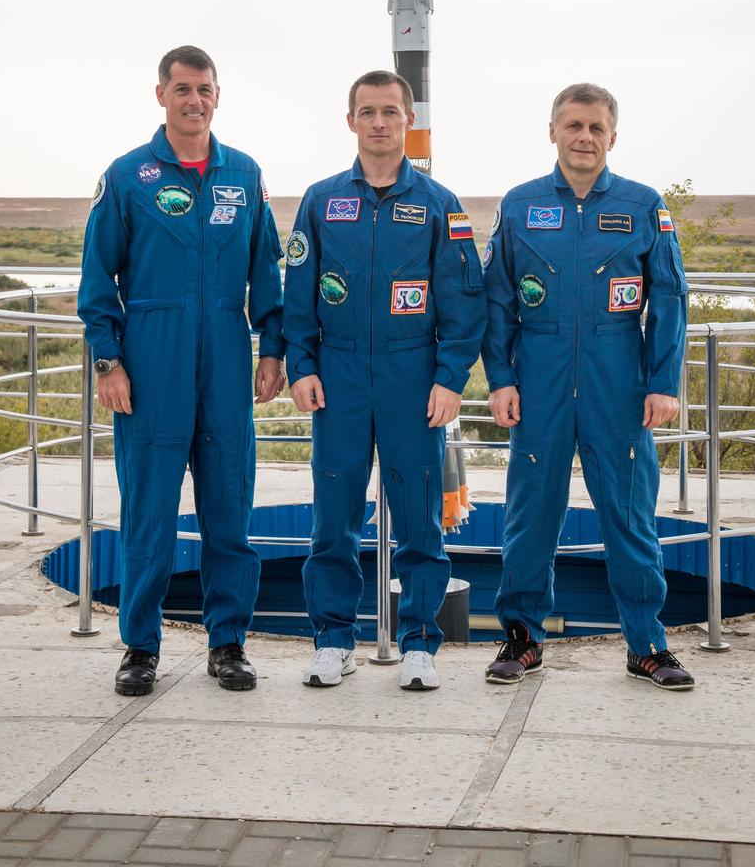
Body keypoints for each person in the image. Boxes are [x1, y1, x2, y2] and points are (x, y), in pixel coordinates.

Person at [78, 46, 285, 696]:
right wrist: (108, 362)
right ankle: (140, 647)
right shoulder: (128, 176)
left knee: (229, 514)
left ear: (217, 97)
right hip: (150, 365)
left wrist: (273, 348)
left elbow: (266, 275)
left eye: (205, 89)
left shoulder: (242, 175)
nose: (194, 99)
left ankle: (228, 644)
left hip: (225, 363)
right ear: (161, 94)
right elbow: (96, 280)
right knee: (148, 518)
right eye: (182, 88)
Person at [482, 83, 695, 691]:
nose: (584, 137)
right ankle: (521, 636)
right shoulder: (521, 206)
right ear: (552, 131)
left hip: (618, 388)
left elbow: (671, 301)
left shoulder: (643, 204)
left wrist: (661, 382)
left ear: (612, 137)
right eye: (573, 125)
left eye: (596, 128)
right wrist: (500, 379)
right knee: (531, 515)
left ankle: (647, 644)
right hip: (540, 386)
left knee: (629, 517)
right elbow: (498, 301)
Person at [283, 70, 487, 691]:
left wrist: (450, 378)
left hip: (413, 378)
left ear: (408, 121)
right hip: (339, 379)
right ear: (350, 121)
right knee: (333, 519)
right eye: (367, 111)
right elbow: (297, 298)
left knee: (420, 519)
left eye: (390, 112)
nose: (379, 122)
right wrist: (303, 366)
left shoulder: (438, 204)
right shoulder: (321, 201)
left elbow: (464, 302)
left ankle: (419, 642)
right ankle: (333, 640)